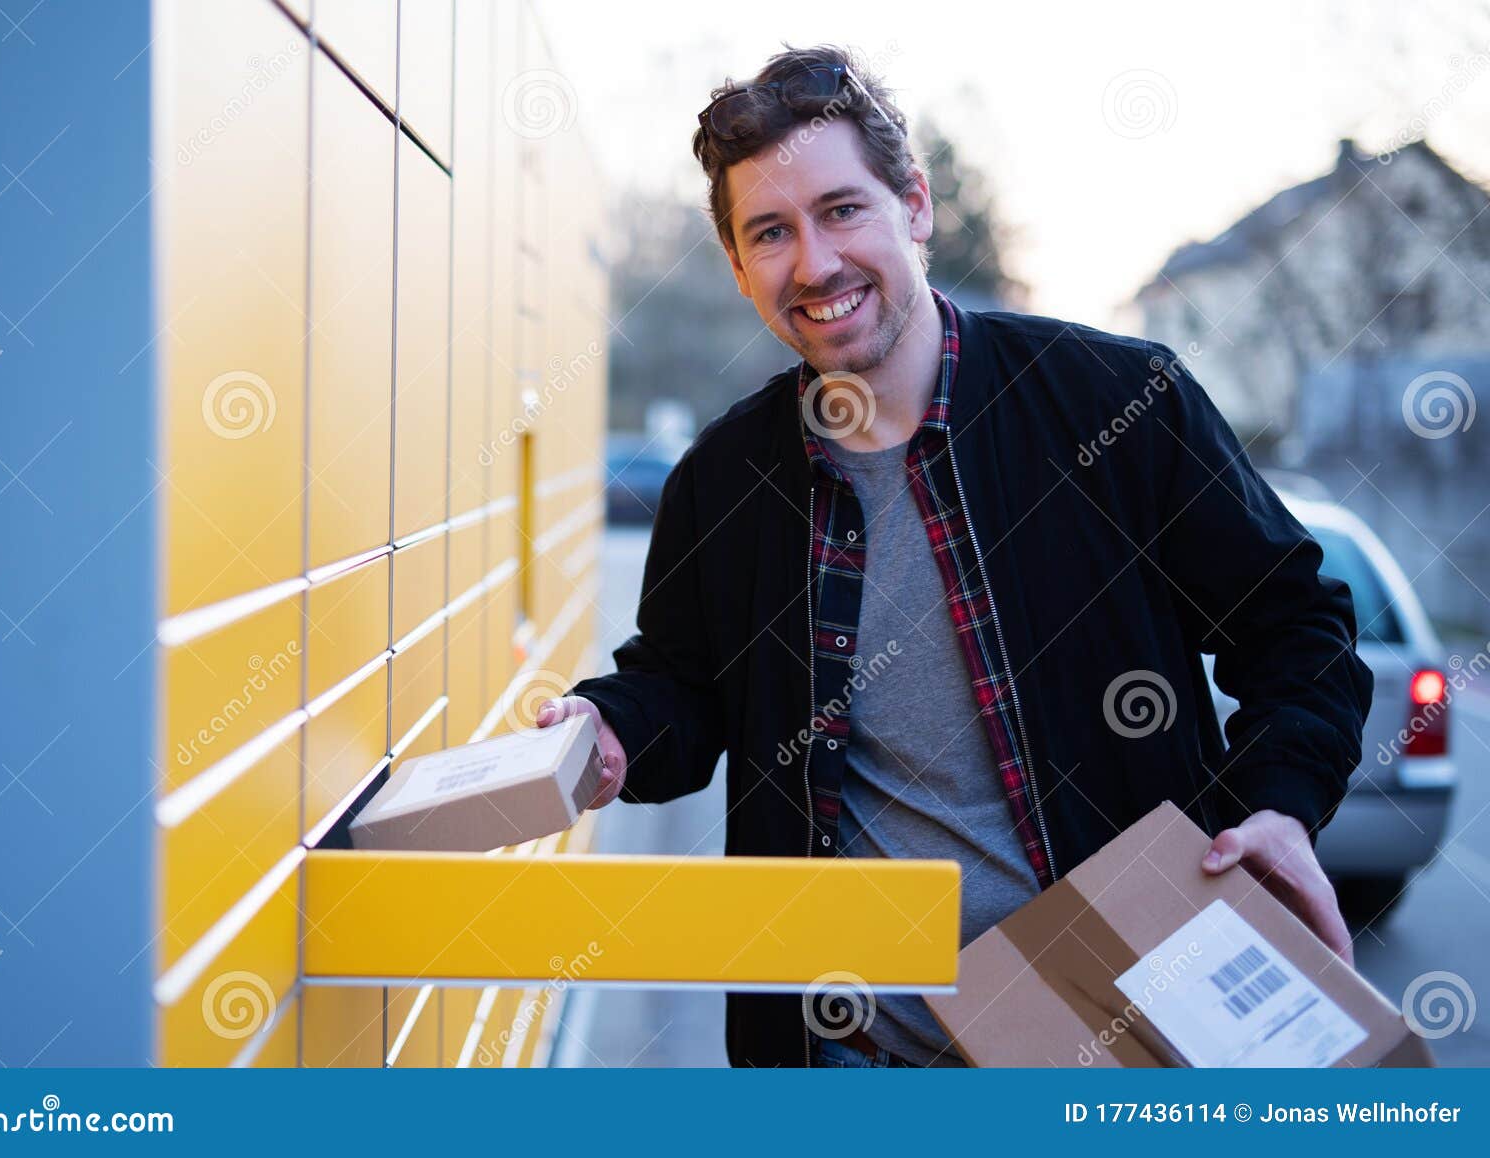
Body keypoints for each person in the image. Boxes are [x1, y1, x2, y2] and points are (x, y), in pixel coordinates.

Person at [536, 44, 1373, 1068]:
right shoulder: (722, 479)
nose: (813, 264)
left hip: (1110, 1029)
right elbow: (684, 689)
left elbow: (1296, 626)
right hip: (843, 1055)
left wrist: (1280, 803)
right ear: (736, 263)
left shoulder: (1116, 405)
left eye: (843, 210)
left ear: (914, 206)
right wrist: (611, 730)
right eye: (770, 232)